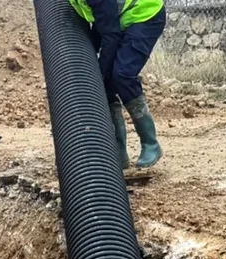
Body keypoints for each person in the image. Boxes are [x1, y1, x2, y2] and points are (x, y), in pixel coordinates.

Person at [70, 0, 168, 168]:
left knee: (123, 75)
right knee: (106, 81)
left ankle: (150, 143)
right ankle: (118, 150)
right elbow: (103, 23)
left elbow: (111, 35)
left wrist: (99, 74)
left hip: (144, 15)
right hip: (118, 19)